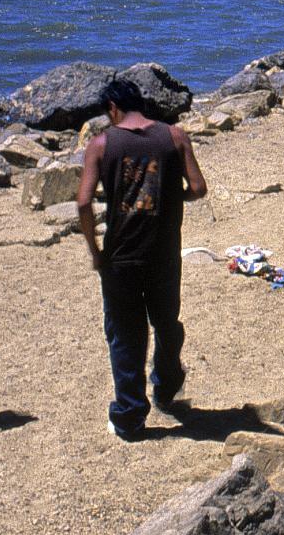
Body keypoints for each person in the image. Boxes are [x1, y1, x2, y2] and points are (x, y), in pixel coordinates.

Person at [77, 75, 206, 440]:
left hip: (121, 257)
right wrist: (166, 198)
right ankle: (167, 384)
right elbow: (198, 188)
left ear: (113, 108)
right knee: (166, 322)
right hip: (163, 253)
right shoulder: (174, 136)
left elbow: (84, 202)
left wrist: (95, 250)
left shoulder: (101, 144)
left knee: (125, 336)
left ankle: (130, 417)